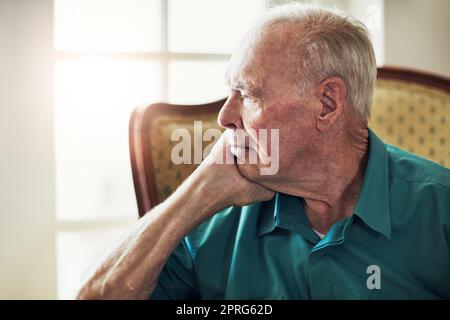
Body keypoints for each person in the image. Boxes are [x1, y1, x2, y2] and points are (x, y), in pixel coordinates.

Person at [77, 4, 450, 299]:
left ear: (326, 103)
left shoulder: (439, 209)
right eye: (230, 92)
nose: (224, 116)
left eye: (249, 94)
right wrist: (197, 193)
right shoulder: (216, 218)